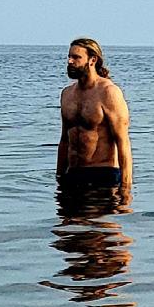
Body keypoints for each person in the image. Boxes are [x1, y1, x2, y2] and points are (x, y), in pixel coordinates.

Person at [56, 38, 132, 196]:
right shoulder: (67, 94)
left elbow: (123, 143)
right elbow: (64, 140)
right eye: (69, 57)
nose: (70, 61)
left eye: (76, 57)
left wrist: (125, 189)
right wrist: (59, 177)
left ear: (92, 60)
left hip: (103, 175)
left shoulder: (109, 92)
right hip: (72, 174)